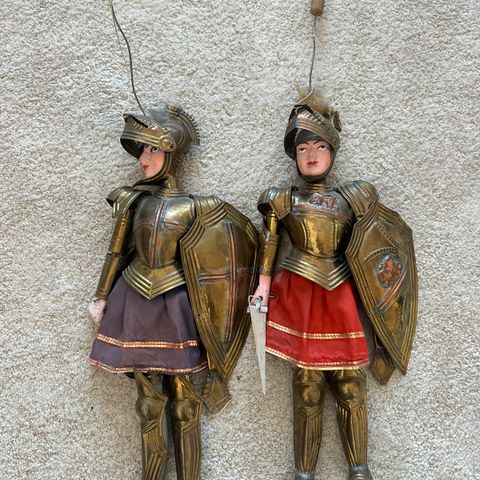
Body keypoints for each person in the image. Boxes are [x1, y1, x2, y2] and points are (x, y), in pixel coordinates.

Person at [252, 94, 417, 480]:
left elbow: (376, 248)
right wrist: (262, 285)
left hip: (341, 292)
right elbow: (270, 241)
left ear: (332, 150)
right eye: (303, 148)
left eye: (319, 146)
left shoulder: (353, 197)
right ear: (294, 155)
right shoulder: (282, 199)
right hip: (299, 292)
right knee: (306, 384)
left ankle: (359, 470)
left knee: (350, 383)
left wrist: (382, 318)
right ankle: (304, 473)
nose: (311, 155)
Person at [88, 106, 257, 480]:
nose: (143, 159)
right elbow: (117, 252)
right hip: (134, 300)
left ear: (171, 151)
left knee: (185, 405)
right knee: (149, 406)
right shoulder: (133, 200)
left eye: (152, 149)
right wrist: (101, 295)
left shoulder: (198, 208)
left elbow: (216, 262)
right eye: (142, 151)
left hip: (179, 305)